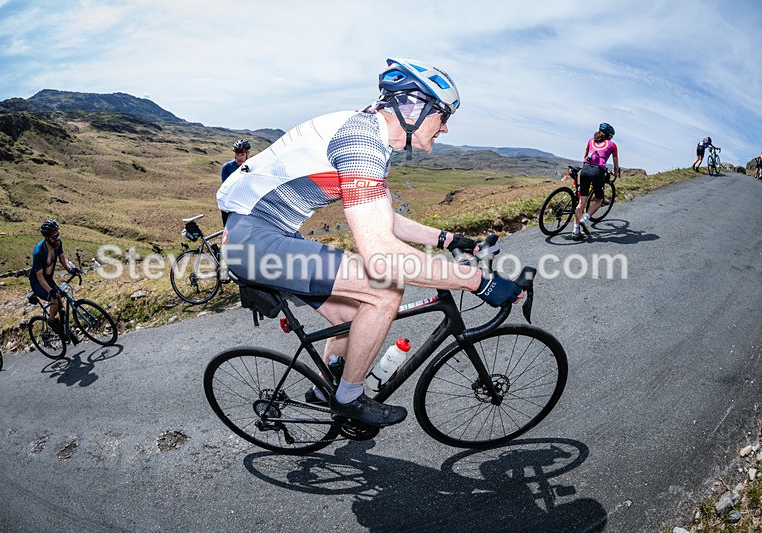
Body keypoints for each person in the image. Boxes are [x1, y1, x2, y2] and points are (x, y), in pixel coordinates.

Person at [216, 57, 525, 428]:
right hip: (255, 241)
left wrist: (449, 239)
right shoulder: (361, 142)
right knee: (385, 289)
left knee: (352, 316)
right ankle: (348, 398)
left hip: (264, 235)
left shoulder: (370, 136)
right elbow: (383, 255)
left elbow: (385, 219)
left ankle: (326, 388)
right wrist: (480, 282)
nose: (444, 129)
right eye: (443, 117)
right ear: (414, 107)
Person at [30, 220, 81, 342]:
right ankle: (52, 322)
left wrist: (71, 269)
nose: (57, 237)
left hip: (48, 279)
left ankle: (67, 332)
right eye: (54, 236)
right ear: (47, 238)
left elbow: (63, 259)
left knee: (62, 306)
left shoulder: (57, 243)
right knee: (54, 299)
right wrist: (50, 291)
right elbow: (40, 277)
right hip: (38, 282)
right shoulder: (38, 252)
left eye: (58, 234)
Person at [571, 123, 620, 241]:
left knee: (581, 202)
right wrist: (615, 172)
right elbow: (615, 164)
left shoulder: (590, 141)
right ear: (609, 136)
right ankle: (585, 219)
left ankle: (575, 231)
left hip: (585, 170)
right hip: (598, 172)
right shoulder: (613, 145)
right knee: (599, 200)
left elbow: (585, 156)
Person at [219, 140, 252, 226]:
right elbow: (227, 188)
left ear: (248, 154)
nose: (239, 158)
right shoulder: (227, 167)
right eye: (237, 154)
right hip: (229, 203)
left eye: (242, 155)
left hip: (246, 204)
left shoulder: (252, 166)